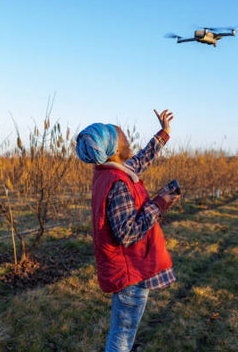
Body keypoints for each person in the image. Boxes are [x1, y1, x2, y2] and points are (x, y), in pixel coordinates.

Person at [75, 109, 180, 352]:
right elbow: (128, 233)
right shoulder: (119, 183)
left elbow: (143, 158)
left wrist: (163, 134)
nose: (126, 138)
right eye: (121, 136)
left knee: (122, 331)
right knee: (122, 336)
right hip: (128, 272)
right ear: (113, 148)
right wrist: (160, 203)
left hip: (125, 268)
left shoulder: (109, 172)